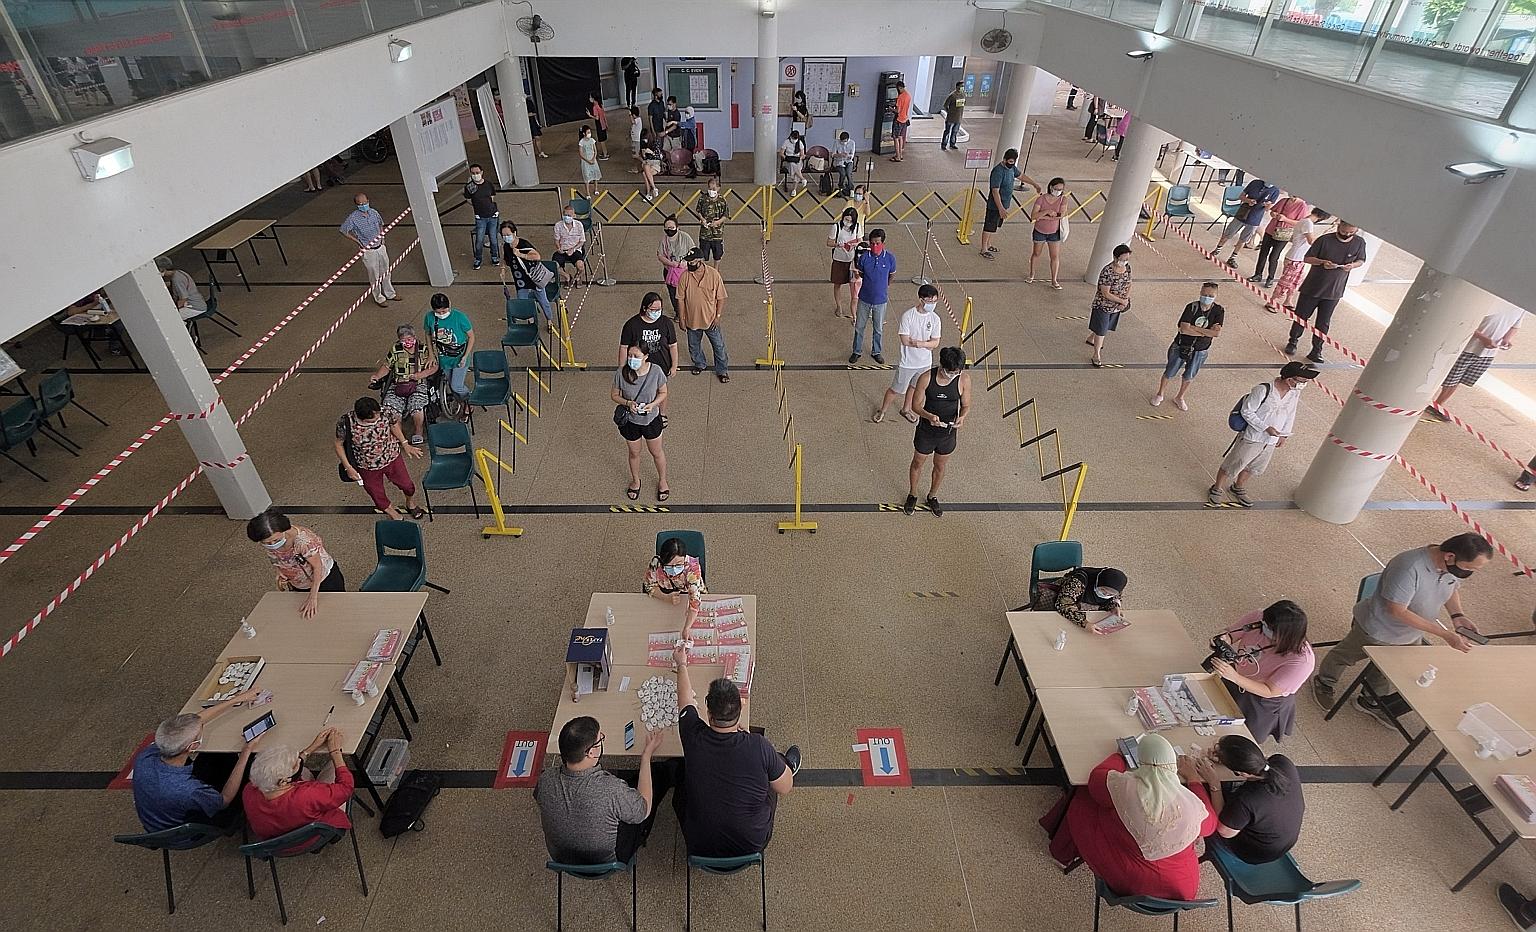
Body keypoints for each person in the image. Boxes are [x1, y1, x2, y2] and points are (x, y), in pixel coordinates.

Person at [1313, 534, 1490, 727]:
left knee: (1389, 668)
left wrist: (1458, 616)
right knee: (1345, 656)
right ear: (1449, 556)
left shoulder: (1452, 568)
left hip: (1411, 633)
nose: (1470, 573)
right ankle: (1325, 682)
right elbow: (1397, 610)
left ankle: (1369, 700)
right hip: (1378, 629)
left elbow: (1451, 587)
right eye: (1469, 568)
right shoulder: (1408, 567)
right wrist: (1445, 634)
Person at [1043, 733, 1216, 901]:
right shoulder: (1191, 804)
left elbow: (1097, 779)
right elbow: (1210, 826)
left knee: (1083, 796)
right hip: (1182, 890)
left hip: (1133, 883)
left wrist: (1120, 755)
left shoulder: (1128, 788)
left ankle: (1062, 849)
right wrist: (1193, 778)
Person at [672, 644, 799, 858]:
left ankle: (777, 764)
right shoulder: (758, 745)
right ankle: (785, 764)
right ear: (740, 711)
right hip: (751, 843)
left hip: (699, 844)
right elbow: (785, 788)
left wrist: (682, 664)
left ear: (708, 713)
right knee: (771, 775)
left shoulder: (692, 734)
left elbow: (684, 701)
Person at [536, 715, 665, 864]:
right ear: (591, 752)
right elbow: (643, 809)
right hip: (606, 859)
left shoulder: (545, 779)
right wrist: (646, 756)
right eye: (600, 739)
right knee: (657, 778)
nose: (602, 740)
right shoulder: (610, 789)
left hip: (560, 856)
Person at [133, 696, 260, 833]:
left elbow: (195, 722)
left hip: (158, 817)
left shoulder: (145, 757)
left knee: (217, 756)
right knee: (251, 765)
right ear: (192, 746)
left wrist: (236, 699)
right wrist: (246, 752)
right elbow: (225, 800)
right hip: (184, 830)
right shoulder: (189, 789)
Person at [1208, 361, 1315, 506]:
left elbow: (1291, 413)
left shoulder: (1294, 393)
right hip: (1253, 436)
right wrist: (1265, 427)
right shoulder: (1263, 390)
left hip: (1270, 440)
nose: (1304, 384)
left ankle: (1238, 487)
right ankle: (1217, 488)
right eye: (1303, 380)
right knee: (1235, 463)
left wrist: (1284, 435)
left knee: (1254, 466)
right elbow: (1247, 411)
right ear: (1290, 379)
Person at [1207, 600, 1314, 743]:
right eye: (1263, 624)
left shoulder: (1301, 662)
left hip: (1261, 700)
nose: (1264, 629)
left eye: (1269, 629)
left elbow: (1269, 690)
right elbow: (1232, 634)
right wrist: (1223, 639)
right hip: (1237, 675)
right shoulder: (1260, 618)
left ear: (1284, 635)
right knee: (1214, 708)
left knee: (1241, 737)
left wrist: (1236, 678)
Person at [1195, 735, 1304, 864]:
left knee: (1206, 793)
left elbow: (1224, 831)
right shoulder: (1281, 761)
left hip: (1254, 852)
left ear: (1242, 773)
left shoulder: (1246, 799)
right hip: (1280, 842)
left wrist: (1214, 784)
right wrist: (1227, 759)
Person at [242, 728, 354, 840]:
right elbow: (346, 788)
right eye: (296, 764)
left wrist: (309, 750)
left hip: (279, 842)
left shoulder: (249, 790)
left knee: (305, 772)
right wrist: (335, 752)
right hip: (310, 837)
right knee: (333, 767)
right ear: (283, 781)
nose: (300, 761)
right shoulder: (306, 795)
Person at [1285, 221, 1367, 364]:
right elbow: (1307, 258)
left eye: (1351, 233)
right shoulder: (1324, 240)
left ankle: (1316, 350)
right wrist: (1322, 262)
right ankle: (1293, 341)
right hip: (1312, 288)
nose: (1347, 235)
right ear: (1338, 226)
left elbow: (1361, 260)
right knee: (1301, 317)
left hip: (1334, 291)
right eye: (1344, 231)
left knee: (1323, 323)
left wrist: (1352, 265)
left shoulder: (1359, 242)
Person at [1422, 305, 1522, 421]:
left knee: (1458, 380)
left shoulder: (1521, 307)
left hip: (1487, 353)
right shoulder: (1492, 300)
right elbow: (1466, 322)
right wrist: (1482, 338)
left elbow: (1515, 326)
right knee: (1447, 377)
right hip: (1466, 347)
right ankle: (1424, 399)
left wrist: (1506, 339)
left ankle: (1438, 405)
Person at [335, 396, 426, 520]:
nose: (378, 419)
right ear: (362, 418)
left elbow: (394, 426)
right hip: (367, 466)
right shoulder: (346, 423)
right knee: (377, 494)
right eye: (372, 420)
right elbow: (339, 444)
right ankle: (393, 513)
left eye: (378, 415)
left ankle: (410, 502)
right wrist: (348, 467)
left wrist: (405, 443)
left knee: (407, 486)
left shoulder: (384, 412)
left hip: (392, 457)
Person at [905, 346, 969, 516]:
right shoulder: (926, 378)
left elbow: (966, 405)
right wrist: (929, 416)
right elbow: (915, 405)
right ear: (943, 366)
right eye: (952, 372)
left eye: (957, 372)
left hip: (947, 434)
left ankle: (932, 496)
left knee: (940, 465)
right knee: (918, 462)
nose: (954, 375)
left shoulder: (963, 379)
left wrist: (962, 417)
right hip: (926, 431)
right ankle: (913, 493)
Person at [246, 508, 343, 617]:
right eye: (267, 543)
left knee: (335, 614)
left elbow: (318, 567)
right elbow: (275, 556)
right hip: (298, 584)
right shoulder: (269, 539)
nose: (272, 545)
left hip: (323, 582)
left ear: (284, 530)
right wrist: (279, 570)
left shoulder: (304, 542)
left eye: (276, 541)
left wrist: (312, 597)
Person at [1151, 282, 1224, 411]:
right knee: (1170, 371)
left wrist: (1194, 329)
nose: (1207, 297)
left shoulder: (1218, 311)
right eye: (1205, 294)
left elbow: (1216, 333)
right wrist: (1205, 332)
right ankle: (1160, 393)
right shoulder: (1192, 307)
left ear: (1216, 296)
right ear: (1200, 293)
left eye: (1210, 295)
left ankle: (1180, 397)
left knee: (1189, 375)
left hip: (1200, 349)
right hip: (1181, 345)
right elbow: (1184, 329)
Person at [877, 284, 942, 424]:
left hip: (925, 363)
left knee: (914, 387)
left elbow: (935, 343)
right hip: (908, 363)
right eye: (929, 301)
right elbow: (905, 340)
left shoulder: (935, 319)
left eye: (935, 301)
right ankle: (882, 410)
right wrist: (926, 343)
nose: (932, 304)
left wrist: (920, 343)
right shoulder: (908, 316)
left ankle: (906, 409)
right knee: (896, 389)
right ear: (921, 299)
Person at [613, 344, 670, 501]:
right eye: (630, 355)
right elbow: (614, 395)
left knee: (656, 452)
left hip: (651, 420)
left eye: (636, 356)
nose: (632, 359)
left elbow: (663, 392)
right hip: (631, 422)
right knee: (634, 453)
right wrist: (628, 403)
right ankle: (636, 480)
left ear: (646, 357)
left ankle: (663, 480)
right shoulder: (621, 373)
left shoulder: (656, 371)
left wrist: (653, 404)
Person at [369, 323, 438, 445]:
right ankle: (399, 435)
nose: (407, 342)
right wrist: (377, 376)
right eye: (403, 340)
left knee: (417, 406)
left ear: (414, 337)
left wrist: (420, 375)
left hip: (418, 384)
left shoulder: (423, 349)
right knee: (391, 408)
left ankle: (418, 431)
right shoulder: (396, 349)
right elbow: (387, 366)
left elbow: (434, 366)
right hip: (398, 384)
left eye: (409, 339)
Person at [677, 248, 730, 383]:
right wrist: (682, 318)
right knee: (694, 346)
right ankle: (699, 364)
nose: (689, 264)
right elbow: (680, 299)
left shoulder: (714, 275)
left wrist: (717, 316)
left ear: (700, 261)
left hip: (711, 320)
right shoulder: (685, 277)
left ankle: (722, 370)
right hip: (691, 321)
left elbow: (721, 298)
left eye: (692, 261)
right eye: (688, 261)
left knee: (719, 346)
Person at [339, 193, 399, 306]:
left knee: (386, 271)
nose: (363, 205)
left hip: (380, 247)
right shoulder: (353, 218)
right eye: (360, 204)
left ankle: (390, 293)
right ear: (356, 205)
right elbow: (343, 230)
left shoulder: (374, 212)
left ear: (368, 200)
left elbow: (381, 224)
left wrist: (382, 236)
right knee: (374, 275)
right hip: (368, 251)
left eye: (365, 202)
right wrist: (358, 241)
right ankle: (379, 298)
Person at [980, 149, 1041, 259]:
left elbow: (1021, 176)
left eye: (1013, 162)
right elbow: (995, 191)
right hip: (995, 206)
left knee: (996, 226)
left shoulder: (1012, 168)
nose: (1012, 164)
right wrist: (1000, 208)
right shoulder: (998, 171)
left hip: (1004, 204)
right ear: (1005, 159)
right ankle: (984, 248)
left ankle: (989, 244)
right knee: (989, 226)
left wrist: (1034, 184)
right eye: (1010, 161)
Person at [1266, 208, 1327, 314]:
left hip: (1299, 258)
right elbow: (1311, 241)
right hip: (1294, 258)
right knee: (1285, 282)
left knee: (1295, 281)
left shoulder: (1305, 220)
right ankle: (1272, 302)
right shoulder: (1308, 223)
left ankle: (1288, 301)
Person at [1024, 566, 1128, 627]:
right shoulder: (1078, 582)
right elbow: (1064, 605)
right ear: (1098, 582)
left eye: (1111, 594)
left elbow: (1116, 598)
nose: (1106, 595)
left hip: (1085, 612)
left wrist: (1115, 606)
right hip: (1061, 604)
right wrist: (1085, 623)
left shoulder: (1116, 588)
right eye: (1103, 590)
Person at [849, 228, 896, 365]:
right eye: (872, 243)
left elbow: (891, 275)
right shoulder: (864, 258)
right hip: (864, 299)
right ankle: (856, 351)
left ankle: (876, 351)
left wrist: (883, 286)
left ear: (883, 243)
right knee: (859, 327)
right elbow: (861, 274)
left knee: (878, 328)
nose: (875, 246)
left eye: (878, 243)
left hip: (881, 300)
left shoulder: (890, 258)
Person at [1212, 177, 1280, 267]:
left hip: (1255, 217)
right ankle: (1217, 249)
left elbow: (1268, 208)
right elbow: (1241, 196)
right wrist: (1248, 201)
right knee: (1228, 233)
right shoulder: (1255, 183)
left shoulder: (1275, 190)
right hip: (1243, 213)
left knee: (1243, 239)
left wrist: (1267, 205)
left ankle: (1233, 257)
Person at [619, 293, 680, 393]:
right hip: (638, 369)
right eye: (653, 309)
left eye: (659, 309)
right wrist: (621, 369)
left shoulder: (666, 323)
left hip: (662, 367)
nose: (656, 312)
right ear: (644, 308)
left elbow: (673, 345)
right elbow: (624, 348)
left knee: (661, 393)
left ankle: (661, 410)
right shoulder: (631, 325)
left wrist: (674, 366)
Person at [499, 221, 555, 324]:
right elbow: (505, 259)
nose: (506, 237)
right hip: (520, 280)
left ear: (514, 233)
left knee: (543, 300)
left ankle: (549, 320)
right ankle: (530, 319)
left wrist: (521, 255)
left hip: (533, 277)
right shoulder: (506, 246)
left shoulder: (523, 244)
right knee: (523, 301)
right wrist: (503, 269)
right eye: (503, 235)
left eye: (508, 235)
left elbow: (537, 256)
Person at [422, 293, 474, 401]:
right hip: (444, 358)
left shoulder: (460, 317)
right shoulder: (429, 318)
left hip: (460, 356)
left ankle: (469, 400)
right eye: (438, 312)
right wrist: (431, 354)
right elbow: (428, 334)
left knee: (456, 386)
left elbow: (471, 337)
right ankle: (462, 402)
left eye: (444, 311)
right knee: (451, 384)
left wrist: (465, 356)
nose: (441, 314)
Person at [1089, 244, 1133, 367]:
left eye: (1126, 259)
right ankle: (1096, 354)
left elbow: (1129, 283)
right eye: (1122, 259)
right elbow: (1105, 293)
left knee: (1105, 325)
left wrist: (1125, 299)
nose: (1124, 262)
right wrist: (1121, 301)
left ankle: (1092, 337)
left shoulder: (1127, 268)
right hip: (1103, 305)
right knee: (1102, 330)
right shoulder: (1107, 271)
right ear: (1115, 257)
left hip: (1117, 306)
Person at [1250, 193, 1308, 288]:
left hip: (1283, 234)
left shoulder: (1302, 206)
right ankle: (1258, 274)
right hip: (1270, 230)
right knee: (1263, 253)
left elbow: (1299, 222)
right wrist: (1274, 214)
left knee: (1274, 257)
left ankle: (1270, 278)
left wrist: (1285, 219)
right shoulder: (1284, 200)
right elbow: (1272, 211)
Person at [1026, 178, 1068, 289]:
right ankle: (1032, 274)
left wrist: (1042, 216)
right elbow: (1033, 216)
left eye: (1060, 189)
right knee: (1036, 253)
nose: (1058, 191)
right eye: (1056, 188)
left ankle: (1054, 279)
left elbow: (1060, 215)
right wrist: (1047, 213)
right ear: (1051, 187)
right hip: (1040, 231)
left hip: (1054, 232)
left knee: (1055, 256)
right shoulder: (1041, 199)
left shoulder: (1063, 199)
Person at [645, 535, 707, 605]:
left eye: (678, 564)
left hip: (691, 595)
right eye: (669, 565)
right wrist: (666, 598)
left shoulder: (692, 567)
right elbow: (649, 586)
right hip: (666, 597)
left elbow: (695, 601)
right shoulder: (656, 563)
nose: (674, 569)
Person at [827, 207, 863, 320]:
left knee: (854, 286)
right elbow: (829, 242)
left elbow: (860, 241)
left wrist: (855, 244)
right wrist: (838, 244)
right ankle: (839, 306)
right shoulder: (836, 227)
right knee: (837, 284)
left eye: (850, 220)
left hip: (852, 261)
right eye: (846, 219)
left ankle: (854, 309)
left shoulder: (857, 227)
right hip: (839, 259)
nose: (847, 222)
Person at [657, 215, 696, 317]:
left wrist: (686, 262)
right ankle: (679, 313)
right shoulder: (664, 240)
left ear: (677, 228)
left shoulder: (685, 237)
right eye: (667, 228)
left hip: (685, 271)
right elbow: (660, 255)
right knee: (673, 294)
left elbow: (694, 251)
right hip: (670, 271)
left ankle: (689, 311)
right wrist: (671, 263)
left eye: (671, 228)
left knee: (688, 292)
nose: (669, 230)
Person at [462, 163, 499, 270]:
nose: (475, 175)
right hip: (480, 218)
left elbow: (492, 197)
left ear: (482, 172)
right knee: (479, 240)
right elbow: (468, 199)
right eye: (473, 173)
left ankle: (494, 257)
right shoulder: (470, 187)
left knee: (493, 239)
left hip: (492, 216)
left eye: (477, 173)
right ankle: (478, 258)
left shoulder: (488, 184)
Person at [553, 203, 589, 287]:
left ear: (574, 215)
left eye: (569, 215)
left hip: (575, 250)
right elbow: (556, 240)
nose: (567, 217)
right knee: (554, 266)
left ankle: (578, 277)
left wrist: (573, 249)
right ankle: (567, 277)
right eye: (565, 215)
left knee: (580, 266)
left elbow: (582, 241)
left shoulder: (579, 225)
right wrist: (558, 248)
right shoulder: (558, 225)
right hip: (563, 250)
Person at [696, 176, 727, 264]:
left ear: (718, 188)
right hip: (704, 233)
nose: (711, 190)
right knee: (703, 255)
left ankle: (716, 273)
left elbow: (725, 215)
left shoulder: (722, 200)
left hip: (717, 234)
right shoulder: (703, 198)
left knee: (717, 256)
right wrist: (702, 219)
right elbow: (698, 211)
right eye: (709, 188)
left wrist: (717, 222)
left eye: (713, 188)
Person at [889, 80, 912, 162]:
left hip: (898, 119)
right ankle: (900, 154)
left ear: (899, 87)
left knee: (895, 138)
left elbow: (898, 110)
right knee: (900, 137)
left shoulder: (900, 97)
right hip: (905, 119)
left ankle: (897, 157)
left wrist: (891, 109)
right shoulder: (908, 95)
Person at [940, 81, 966, 151]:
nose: (962, 88)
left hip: (958, 118)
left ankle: (952, 144)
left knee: (955, 132)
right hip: (950, 118)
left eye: (963, 86)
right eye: (961, 86)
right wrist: (949, 112)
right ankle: (944, 145)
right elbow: (945, 105)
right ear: (957, 87)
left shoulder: (963, 95)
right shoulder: (952, 95)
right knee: (947, 131)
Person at [577, 125, 601, 199]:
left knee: (595, 174)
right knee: (587, 176)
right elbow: (581, 154)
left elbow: (595, 150)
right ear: (584, 133)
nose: (589, 133)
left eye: (590, 132)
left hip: (593, 159)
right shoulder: (581, 142)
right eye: (588, 132)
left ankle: (596, 189)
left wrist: (593, 159)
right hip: (585, 161)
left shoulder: (592, 140)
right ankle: (588, 193)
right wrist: (588, 161)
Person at [639, 132, 663, 203]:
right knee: (645, 171)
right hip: (648, 162)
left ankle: (649, 193)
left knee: (644, 173)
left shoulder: (656, 143)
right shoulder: (643, 144)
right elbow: (644, 158)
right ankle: (653, 189)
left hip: (655, 163)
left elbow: (659, 156)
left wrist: (651, 152)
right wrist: (643, 154)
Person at [832, 130, 857, 197]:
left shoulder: (852, 143)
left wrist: (847, 156)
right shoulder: (836, 142)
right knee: (843, 173)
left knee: (849, 173)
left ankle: (851, 189)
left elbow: (852, 155)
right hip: (839, 161)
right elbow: (833, 154)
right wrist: (840, 155)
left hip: (848, 161)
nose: (843, 142)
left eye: (845, 141)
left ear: (848, 139)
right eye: (842, 141)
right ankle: (841, 186)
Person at [586, 92, 609, 160]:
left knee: (601, 140)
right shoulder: (600, 105)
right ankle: (605, 152)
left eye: (590, 97)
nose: (589, 98)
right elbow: (603, 115)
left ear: (593, 98)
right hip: (603, 124)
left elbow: (597, 118)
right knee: (603, 139)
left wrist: (590, 115)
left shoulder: (595, 107)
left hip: (599, 125)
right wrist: (606, 123)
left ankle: (605, 155)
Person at [628, 106, 644, 174]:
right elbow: (632, 128)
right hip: (634, 139)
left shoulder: (638, 119)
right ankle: (635, 168)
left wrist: (630, 115)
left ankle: (644, 162)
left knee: (636, 155)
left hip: (636, 141)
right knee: (634, 155)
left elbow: (632, 122)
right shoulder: (636, 120)